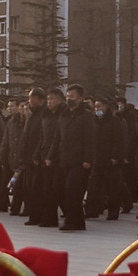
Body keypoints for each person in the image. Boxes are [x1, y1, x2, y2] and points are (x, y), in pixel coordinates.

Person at [57, 84, 96, 231]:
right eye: (67, 96)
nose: (69, 99)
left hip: (79, 160)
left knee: (71, 190)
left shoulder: (86, 115)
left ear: (80, 99)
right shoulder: (64, 114)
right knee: (71, 191)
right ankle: (79, 222)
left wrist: (88, 159)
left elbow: (90, 139)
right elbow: (58, 137)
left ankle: (70, 220)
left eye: (72, 96)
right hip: (65, 158)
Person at [85, 95, 129, 221]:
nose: (97, 109)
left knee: (112, 187)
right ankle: (91, 210)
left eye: (99, 106)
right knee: (93, 186)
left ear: (106, 107)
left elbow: (118, 140)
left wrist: (115, 157)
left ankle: (113, 212)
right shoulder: (94, 120)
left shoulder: (114, 120)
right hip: (97, 159)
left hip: (110, 159)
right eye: (95, 107)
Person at [29, 88, 65, 228]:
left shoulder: (63, 115)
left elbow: (57, 139)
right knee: (45, 189)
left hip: (57, 157)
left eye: (52, 99)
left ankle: (53, 218)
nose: (50, 102)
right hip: (45, 155)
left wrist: (50, 156)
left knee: (55, 190)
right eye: (49, 99)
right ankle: (46, 217)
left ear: (61, 100)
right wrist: (37, 154)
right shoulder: (46, 115)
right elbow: (42, 138)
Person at [0, 97, 26, 214]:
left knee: (20, 186)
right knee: (5, 182)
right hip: (11, 157)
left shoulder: (29, 121)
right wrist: (2, 153)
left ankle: (17, 207)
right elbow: (6, 139)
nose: (23, 109)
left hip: (22, 158)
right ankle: (3, 205)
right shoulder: (11, 122)